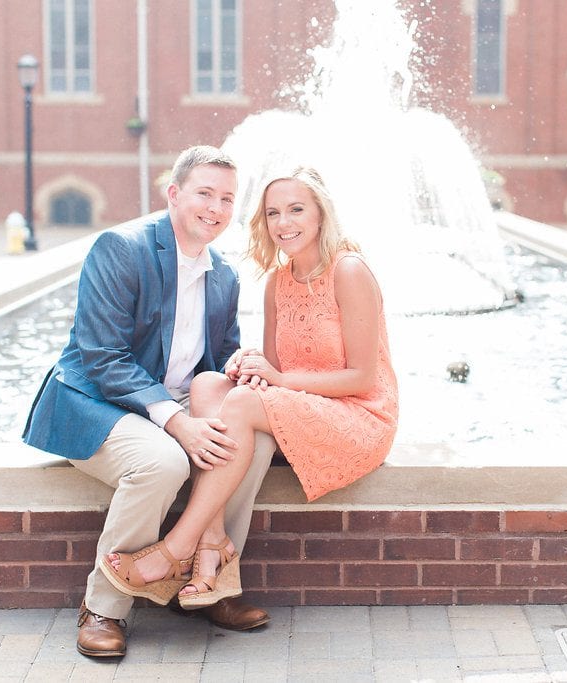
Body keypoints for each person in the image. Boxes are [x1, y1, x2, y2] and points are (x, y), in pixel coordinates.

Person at [22, 145, 275, 659]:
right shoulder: (122, 247)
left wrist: (242, 366)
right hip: (97, 402)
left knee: (255, 441)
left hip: (174, 404)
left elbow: (217, 361)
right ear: (175, 194)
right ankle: (104, 607)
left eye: (228, 198)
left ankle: (210, 583)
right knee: (162, 463)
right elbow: (102, 355)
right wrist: (178, 422)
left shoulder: (223, 275)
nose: (217, 207)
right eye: (205, 193)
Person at [189, 165, 398, 508]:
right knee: (207, 385)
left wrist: (280, 378)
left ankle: (183, 542)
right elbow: (273, 372)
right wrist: (250, 364)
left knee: (239, 403)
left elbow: (362, 379)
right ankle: (212, 534)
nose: (283, 223)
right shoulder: (277, 282)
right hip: (303, 404)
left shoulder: (348, 271)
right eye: (273, 213)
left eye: (296, 210)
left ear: (321, 214)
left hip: (360, 415)